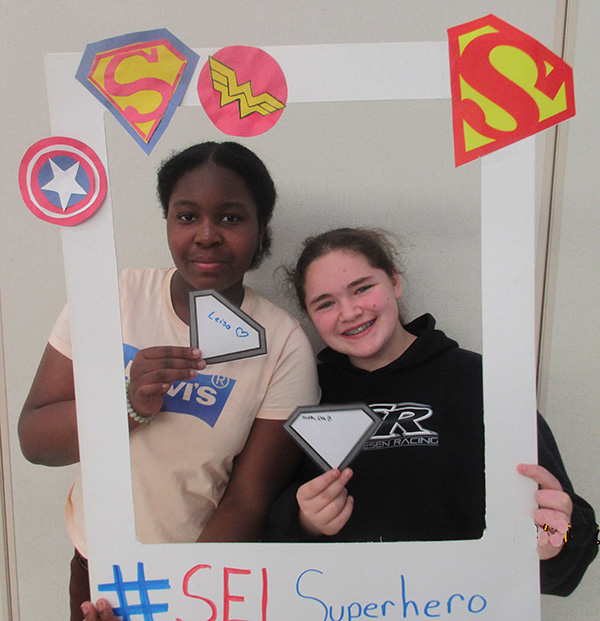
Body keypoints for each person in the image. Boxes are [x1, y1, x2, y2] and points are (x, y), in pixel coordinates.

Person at [18, 141, 319, 620]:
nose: (206, 235)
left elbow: (248, 498)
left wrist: (182, 599)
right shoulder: (110, 297)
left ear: (261, 229)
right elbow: (35, 441)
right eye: (186, 216)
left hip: (205, 581)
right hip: (100, 577)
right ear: (167, 222)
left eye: (231, 218)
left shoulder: (283, 343)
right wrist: (128, 405)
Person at [265, 227, 598, 597]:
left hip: (468, 607)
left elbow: (576, 535)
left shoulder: (482, 381)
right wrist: (303, 522)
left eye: (362, 288)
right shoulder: (305, 393)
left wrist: (556, 541)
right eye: (325, 303)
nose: (349, 311)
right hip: (346, 606)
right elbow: (265, 527)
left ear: (394, 282)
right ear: (310, 317)